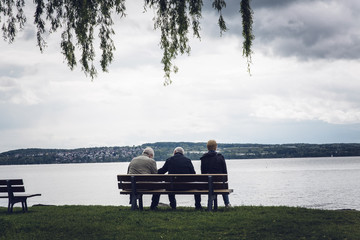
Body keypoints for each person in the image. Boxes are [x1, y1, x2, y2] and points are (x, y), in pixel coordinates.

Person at [200, 140, 231, 207]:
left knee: (211, 183)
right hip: (220, 184)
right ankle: (227, 203)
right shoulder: (220, 157)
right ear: (215, 147)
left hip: (208, 184)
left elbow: (203, 173)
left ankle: (210, 204)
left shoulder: (203, 158)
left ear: (207, 147)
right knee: (222, 183)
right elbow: (225, 172)